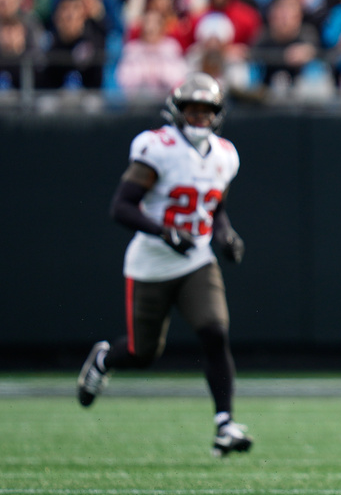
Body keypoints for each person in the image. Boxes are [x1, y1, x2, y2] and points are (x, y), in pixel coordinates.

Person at [76, 73, 252, 457]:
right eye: (192, 109)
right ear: (177, 110)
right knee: (142, 353)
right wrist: (164, 232)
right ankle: (105, 359)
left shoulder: (225, 154)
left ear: (217, 114)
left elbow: (213, 208)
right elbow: (121, 206)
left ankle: (225, 423)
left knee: (215, 331)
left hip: (196, 261)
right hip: (151, 264)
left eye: (207, 111)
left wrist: (225, 235)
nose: (199, 117)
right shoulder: (158, 147)